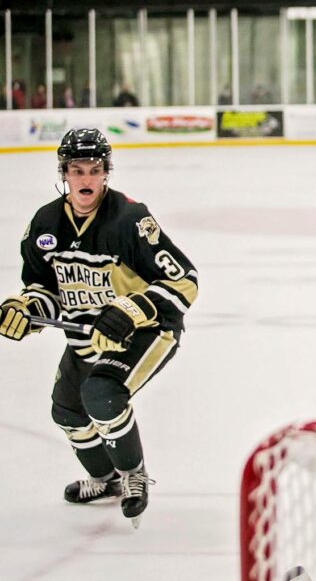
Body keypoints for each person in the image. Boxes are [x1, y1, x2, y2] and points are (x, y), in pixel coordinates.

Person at [0, 129, 198, 527]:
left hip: (145, 330)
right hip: (87, 337)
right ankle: (105, 480)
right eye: (77, 170)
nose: (86, 179)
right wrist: (26, 310)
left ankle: (133, 475)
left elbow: (185, 281)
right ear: (65, 173)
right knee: (67, 410)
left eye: (95, 170)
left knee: (102, 394)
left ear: (106, 173)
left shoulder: (129, 218)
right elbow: (43, 288)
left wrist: (131, 309)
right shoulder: (45, 223)